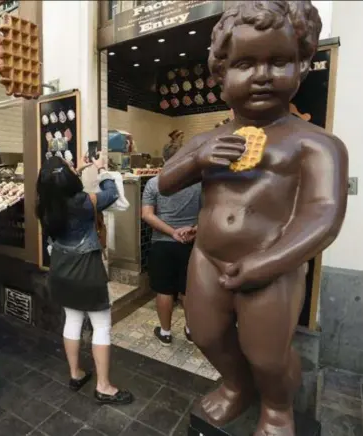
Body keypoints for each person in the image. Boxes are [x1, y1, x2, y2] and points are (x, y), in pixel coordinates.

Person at [158, 2, 347, 434]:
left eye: (277, 61)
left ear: (302, 65)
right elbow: (166, 182)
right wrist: (196, 161)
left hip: (273, 264)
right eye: (245, 63)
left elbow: (324, 215)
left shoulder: (316, 144)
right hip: (207, 257)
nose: (262, 75)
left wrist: (271, 262)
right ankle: (235, 387)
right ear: (220, 77)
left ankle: (278, 408)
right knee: (206, 335)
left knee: (267, 353)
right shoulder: (209, 139)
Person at [36, 154, 133, 405]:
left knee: (73, 319)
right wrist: (102, 171)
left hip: (60, 270)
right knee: (101, 325)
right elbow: (110, 194)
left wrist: (77, 170)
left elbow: (61, 187)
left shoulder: (45, 205)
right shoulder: (82, 202)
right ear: (66, 178)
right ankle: (103, 386)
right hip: (86, 271)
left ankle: (75, 373)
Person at [141, 143, 201, 346]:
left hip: (162, 244)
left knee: (164, 290)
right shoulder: (198, 183)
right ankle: (191, 330)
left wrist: (172, 232)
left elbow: (147, 215)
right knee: (188, 290)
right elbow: (209, 213)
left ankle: (165, 332)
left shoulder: (154, 183)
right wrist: (193, 229)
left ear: (165, 160)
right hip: (191, 243)